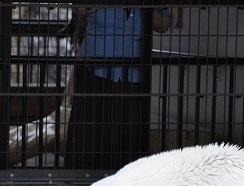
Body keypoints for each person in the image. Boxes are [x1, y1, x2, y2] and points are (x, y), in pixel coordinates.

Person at [64, 7, 172, 170]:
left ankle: (124, 180)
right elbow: (79, 8)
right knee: (90, 130)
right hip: (94, 69)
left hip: (133, 72)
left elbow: (164, 25)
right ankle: (83, 178)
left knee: (128, 131)